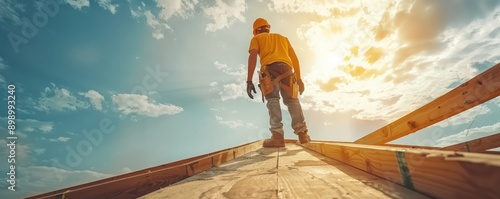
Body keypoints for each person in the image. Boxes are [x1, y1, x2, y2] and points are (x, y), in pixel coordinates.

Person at [246, 18, 311, 148]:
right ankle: (303, 134)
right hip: (287, 69)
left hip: (270, 70)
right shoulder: (283, 38)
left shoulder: (257, 39)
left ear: (255, 31)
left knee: (272, 99)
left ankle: (277, 136)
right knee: (292, 100)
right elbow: (294, 58)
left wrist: (249, 80)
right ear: (268, 28)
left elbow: (252, 56)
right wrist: (299, 78)